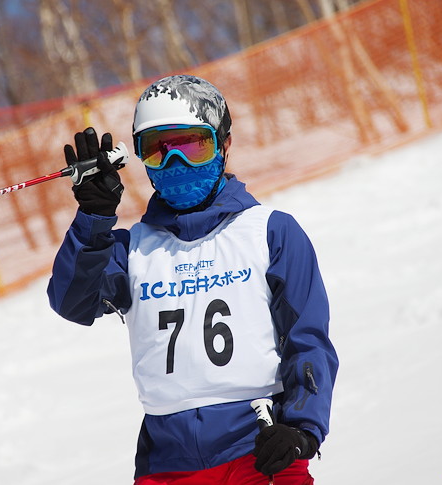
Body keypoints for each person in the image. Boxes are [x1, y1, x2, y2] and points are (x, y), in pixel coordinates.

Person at [47, 74, 338, 484]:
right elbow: (72, 302)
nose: (175, 163)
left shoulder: (270, 232)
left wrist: (303, 428)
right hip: (167, 463)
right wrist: (94, 218)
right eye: (157, 150)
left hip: (260, 448)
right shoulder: (131, 249)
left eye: (191, 145)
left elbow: (308, 339)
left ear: (224, 144)